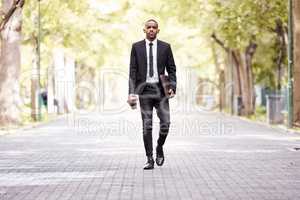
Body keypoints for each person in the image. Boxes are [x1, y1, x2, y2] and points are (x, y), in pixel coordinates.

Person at [128, 19, 177, 170]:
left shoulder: (165, 47)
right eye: (148, 27)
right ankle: (149, 158)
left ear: (158, 30)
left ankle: (159, 147)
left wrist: (172, 87)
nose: (151, 29)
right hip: (144, 91)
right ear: (144, 30)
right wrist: (131, 93)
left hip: (161, 90)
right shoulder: (136, 47)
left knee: (166, 123)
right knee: (147, 125)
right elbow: (133, 71)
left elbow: (172, 69)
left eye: (154, 27)